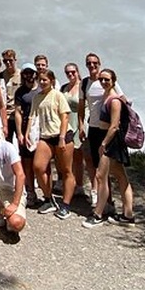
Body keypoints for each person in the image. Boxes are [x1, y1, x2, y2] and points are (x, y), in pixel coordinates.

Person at [83, 69, 135, 228]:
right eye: (101, 79)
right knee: (121, 176)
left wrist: (104, 144)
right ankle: (128, 216)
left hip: (112, 141)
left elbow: (114, 126)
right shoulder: (107, 96)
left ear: (113, 81)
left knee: (100, 176)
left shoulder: (114, 101)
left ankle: (98, 214)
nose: (103, 82)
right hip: (111, 140)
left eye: (107, 79)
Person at [27, 69, 75, 218]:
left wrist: (61, 137)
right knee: (38, 167)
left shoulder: (58, 95)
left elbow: (65, 117)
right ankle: (49, 198)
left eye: (45, 80)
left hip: (62, 135)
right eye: (40, 80)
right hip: (46, 136)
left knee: (65, 170)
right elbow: (32, 117)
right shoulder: (37, 97)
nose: (42, 83)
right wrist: (28, 133)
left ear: (52, 81)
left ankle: (66, 205)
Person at [77, 52, 123, 207]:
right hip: (94, 128)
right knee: (98, 166)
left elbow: (122, 100)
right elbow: (81, 106)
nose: (92, 65)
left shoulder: (107, 80)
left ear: (99, 63)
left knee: (109, 168)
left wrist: (118, 122)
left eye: (94, 62)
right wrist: (81, 124)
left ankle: (107, 204)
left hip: (107, 129)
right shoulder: (84, 84)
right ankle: (106, 202)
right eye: (89, 63)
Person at [12, 63, 40, 205]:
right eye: (26, 73)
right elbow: (17, 112)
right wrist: (19, 133)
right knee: (27, 162)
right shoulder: (20, 92)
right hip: (25, 128)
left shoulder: (42, 88)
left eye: (31, 73)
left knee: (41, 163)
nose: (29, 76)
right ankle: (30, 191)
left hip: (40, 128)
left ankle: (46, 192)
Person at [61, 62, 88, 198]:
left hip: (79, 121)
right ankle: (67, 182)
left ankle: (79, 185)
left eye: (73, 72)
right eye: (67, 72)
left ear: (77, 72)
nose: (70, 74)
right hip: (67, 122)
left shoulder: (83, 86)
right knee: (67, 154)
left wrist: (82, 125)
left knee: (79, 154)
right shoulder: (64, 88)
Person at [0, 49, 21, 142]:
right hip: (6, 116)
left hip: (18, 114)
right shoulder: (1, 76)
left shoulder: (22, 75)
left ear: (15, 60)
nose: (8, 63)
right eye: (5, 61)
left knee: (22, 143)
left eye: (10, 60)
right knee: (6, 143)